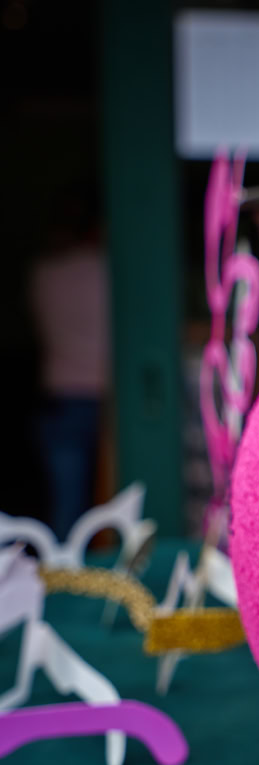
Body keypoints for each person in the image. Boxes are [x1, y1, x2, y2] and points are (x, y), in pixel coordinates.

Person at [29, 183, 110, 540]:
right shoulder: (106, 271)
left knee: (67, 505)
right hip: (102, 396)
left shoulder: (43, 273)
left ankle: (66, 583)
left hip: (58, 396)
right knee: (111, 504)